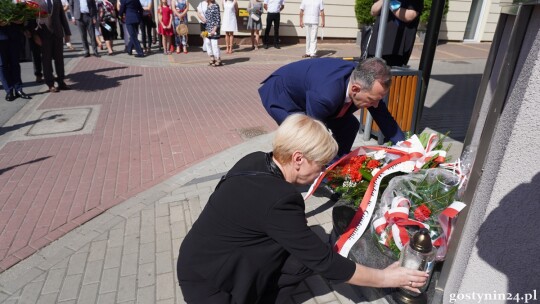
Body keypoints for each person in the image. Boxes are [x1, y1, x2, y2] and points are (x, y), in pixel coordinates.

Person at [177, 114, 429, 304]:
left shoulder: (255, 159)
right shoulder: (279, 200)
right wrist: (386, 278)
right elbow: (326, 263)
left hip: (198, 258)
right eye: (320, 165)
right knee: (311, 257)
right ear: (298, 159)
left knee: (301, 260)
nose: (322, 173)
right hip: (212, 285)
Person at [259, 57, 405, 158]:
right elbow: (314, 134)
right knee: (301, 139)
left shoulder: (365, 82)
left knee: (349, 125)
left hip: (314, 92)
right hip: (284, 97)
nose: (375, 105)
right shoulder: (325, 96)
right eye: (372, 100)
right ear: (355, 89)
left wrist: (405, 147)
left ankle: (334, 169)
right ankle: (283, 173)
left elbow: (383, 117)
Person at [367, 0, 423, 67]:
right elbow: (373, 11)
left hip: (396, 48)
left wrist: (390, 4)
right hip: (376, 44)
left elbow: (410, 15)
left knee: (389, 74)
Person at [35, 0, 73, 92]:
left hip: (57, 33)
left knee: (59, 59)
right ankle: (50, 84)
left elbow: (62, 16)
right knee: (46, 60)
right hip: (43, 34)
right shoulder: (36, 1)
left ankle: (61, 81)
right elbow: (31, 18)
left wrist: (67, 33)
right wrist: (34, 35)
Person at [0, 23, 32, 101]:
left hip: (14, 35)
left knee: (15, 64)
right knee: (2, 65)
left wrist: (22, 24)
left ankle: (18, 90)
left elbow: (20, 13)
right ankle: (9, 90)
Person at [204, 0, 221, 66]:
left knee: (214, 44)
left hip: (214, 29)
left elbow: (218, 19)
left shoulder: (216, 6)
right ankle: (212, 58)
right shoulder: (207, 6)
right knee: (207, 43)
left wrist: (214, 29)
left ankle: (218, 59)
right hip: (208, 28)